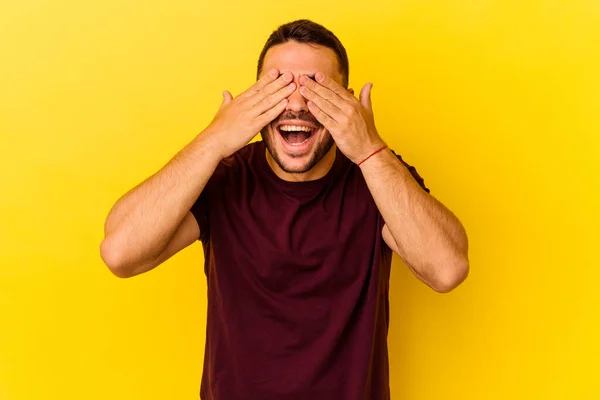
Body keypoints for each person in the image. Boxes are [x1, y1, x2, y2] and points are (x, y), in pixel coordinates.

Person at [100, 19, 469, 400]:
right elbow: (121, 254)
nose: (294, 104)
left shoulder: (376, 177)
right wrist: (213, 140)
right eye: (278, 88)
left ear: (346, 102)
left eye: (314, 88)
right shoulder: (225, 176)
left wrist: (369, 148)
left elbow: (447, 269)